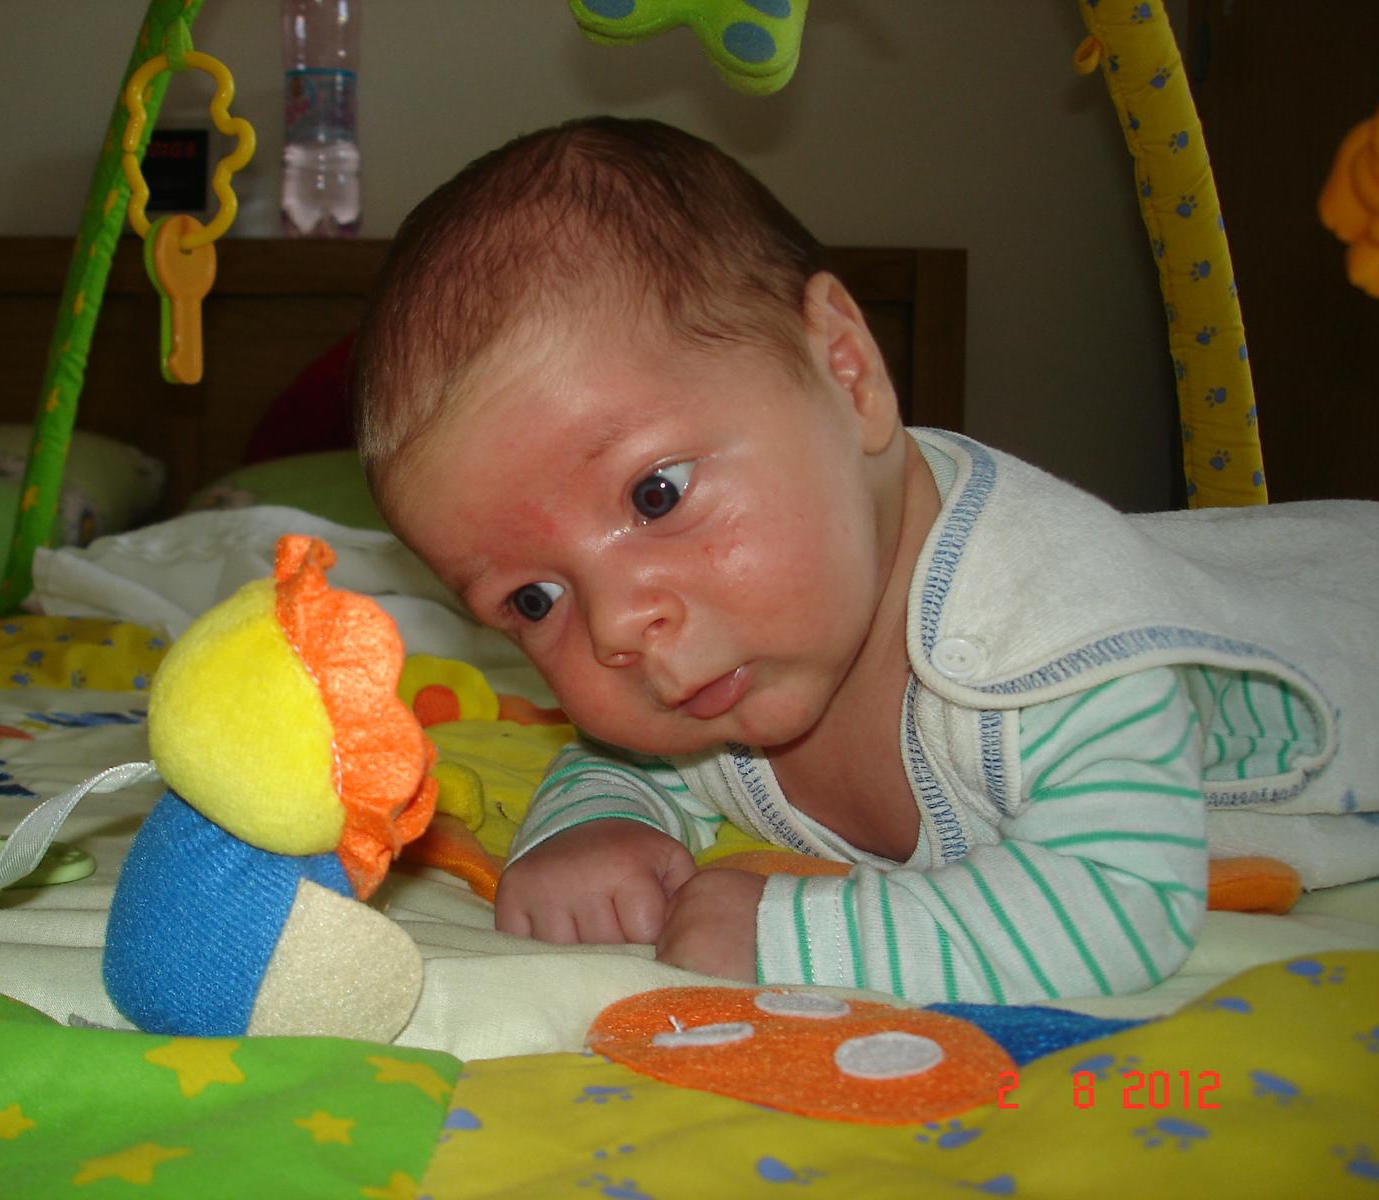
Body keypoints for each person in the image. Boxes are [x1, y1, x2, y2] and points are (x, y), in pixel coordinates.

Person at [351, 115, 1379, 1004]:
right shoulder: (725, 666)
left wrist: (789, 934)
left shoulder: (1049, 629)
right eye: (535, 599)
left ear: (846, 373)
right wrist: (590, 830)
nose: (618, 625)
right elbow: (623, 760)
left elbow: (1120, 904)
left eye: (654, 495)